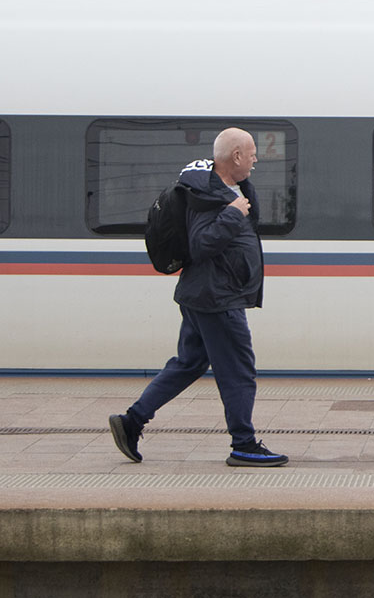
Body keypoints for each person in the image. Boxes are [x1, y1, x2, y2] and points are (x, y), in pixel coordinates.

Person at [109, 128, 288, 466]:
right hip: (216, 297)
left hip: (207, 293)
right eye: (251, 153)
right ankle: (244, 444)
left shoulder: (228, 189)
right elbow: (201, 244)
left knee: (188, 363)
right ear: (236, 156)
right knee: (238, 370)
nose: (255, 159)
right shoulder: (211, 195)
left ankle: (131, 421)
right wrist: (234, 213)